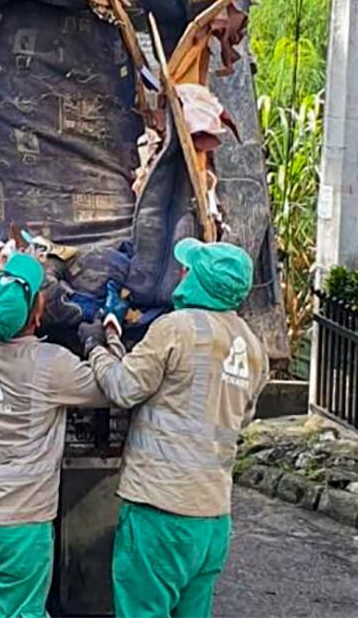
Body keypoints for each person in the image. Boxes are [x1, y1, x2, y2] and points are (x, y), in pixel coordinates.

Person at [81, 239, 267, 618]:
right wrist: (116, 340)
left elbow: (124, 388)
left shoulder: (177, 328)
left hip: (161, 510)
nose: (181, 273)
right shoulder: (252, 347)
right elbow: (237, 416)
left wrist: (94, 349)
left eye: (189, 268)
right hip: (212, 518)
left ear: (201, 280)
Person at [0, 249, 105, 618]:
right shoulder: (52, 365)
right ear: (36, 313)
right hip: (20, 524)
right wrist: (99, 342)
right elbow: (111, 388)